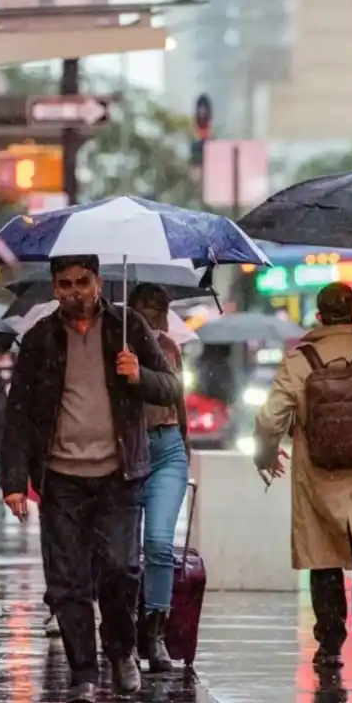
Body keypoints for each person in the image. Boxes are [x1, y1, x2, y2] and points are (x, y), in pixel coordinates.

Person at [0, 254, 181, 703]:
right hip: (61, 479)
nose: (74, 291)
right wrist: (13, 480)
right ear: (54, 287)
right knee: (67, 582)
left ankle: (120, 651)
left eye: (82, 281)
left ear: (98, 282)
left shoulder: (128, 327)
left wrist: (138, 375)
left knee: (121, 568)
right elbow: (18, 412)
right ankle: (83, 673)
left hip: (118, 475)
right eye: (64, 284)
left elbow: (171, 388)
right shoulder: (40, 339)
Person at [253, 282, 352, 676]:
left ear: (320, 315)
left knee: (323, 555)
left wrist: (266, 453)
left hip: (319, 475)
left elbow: (268, 418)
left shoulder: (299, 360)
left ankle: (329, 643)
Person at [127, 283, 191, 673]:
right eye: (146, 309)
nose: (154, 317)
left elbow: (177, 398)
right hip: (129, 451)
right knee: (124, 552)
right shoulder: (117, 347)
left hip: (168, 448)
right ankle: (126, 628)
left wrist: (186, 443)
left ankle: (156, 633)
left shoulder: (170, 348)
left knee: (158, 542)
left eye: (160, 310)